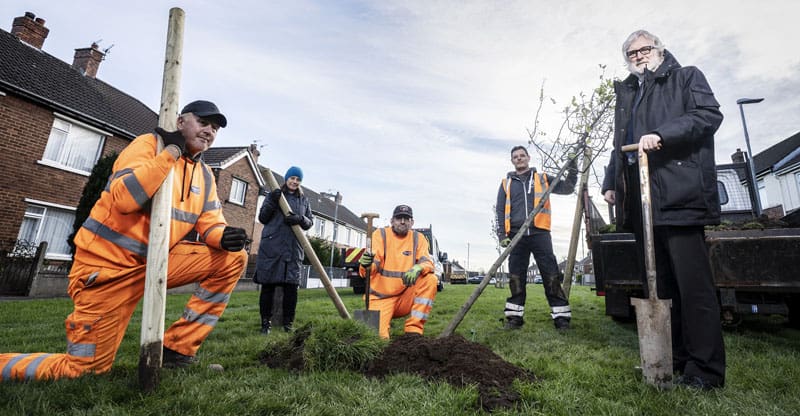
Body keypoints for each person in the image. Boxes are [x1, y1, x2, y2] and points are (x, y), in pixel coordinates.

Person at [0, 100, 249, 381]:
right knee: (83, 371)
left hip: (155, 264)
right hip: (106, 272)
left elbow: (211, 222)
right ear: (180, 122)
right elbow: (126, 199)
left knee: (233, 258)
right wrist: (170, 152)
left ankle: (177, 349)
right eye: (203, 123)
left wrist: (223, 237)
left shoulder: (204, 175)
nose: (209, 132)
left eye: (215, 128)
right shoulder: (148, 146)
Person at [601, 30, 725, 389]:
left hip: (679, 196)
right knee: (663, 288)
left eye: (644, 49)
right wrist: (612, 181)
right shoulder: (628, 93)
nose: (638, 55)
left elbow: (708, 116)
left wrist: (662, 134)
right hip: (643, 204)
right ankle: (676, 359)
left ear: (660, 49)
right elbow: (618, 144)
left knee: (694, 289)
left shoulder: (686, 77)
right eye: (631, 52)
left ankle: (706, 371)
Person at [495, 145, 577, 330]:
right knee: (516, 276)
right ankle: (514, 318)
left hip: (540, 233)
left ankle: (561, 318)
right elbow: (500, 210)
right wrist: (502, 235)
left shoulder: (542, 178)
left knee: (551, 274)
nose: (519, 159)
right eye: (515, 156)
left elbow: (568, 188)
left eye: (522, 155)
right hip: (516, 236)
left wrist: (573, 165)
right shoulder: (505, 183)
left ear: (528, 158)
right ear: (512, 161)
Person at [358, 205, 437, 339]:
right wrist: (366, 265)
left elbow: (428, 262)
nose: (402, 221)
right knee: (378, 339)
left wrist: (418, 268)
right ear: (391, 221)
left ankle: (413, 330)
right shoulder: (380, 235)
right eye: (399, 218)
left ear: (412, 222)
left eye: (406, 219)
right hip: (380, 298)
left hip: (404, 297)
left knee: (431, 279)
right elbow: (371, 268)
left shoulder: (418, 238)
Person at [255, 166, 313, 334]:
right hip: (272, 247)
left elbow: (310, 222)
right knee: (268, 287)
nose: (295, 182)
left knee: (291, 289)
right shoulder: (274, 194)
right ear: (286, 179)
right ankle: (265, 324)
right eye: (292, 178)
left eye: (298, 179)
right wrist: (272, 201)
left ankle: (288, 324)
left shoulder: (304, 200)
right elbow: (263, 218)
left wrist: (300, 219)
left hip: (293, 249)